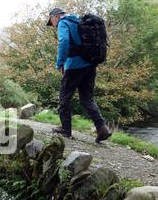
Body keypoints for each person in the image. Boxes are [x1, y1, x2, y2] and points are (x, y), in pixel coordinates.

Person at [47, 8, 112, 143]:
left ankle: (66, 129)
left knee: (64, 97)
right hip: (90, 65)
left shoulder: (63, 23)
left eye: (52, 21)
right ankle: (102, 128)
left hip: (75, 66)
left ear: (56, 16)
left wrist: (60, 63)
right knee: (87, 99)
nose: (53, 25)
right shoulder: (78, 20)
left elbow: (64, 41)